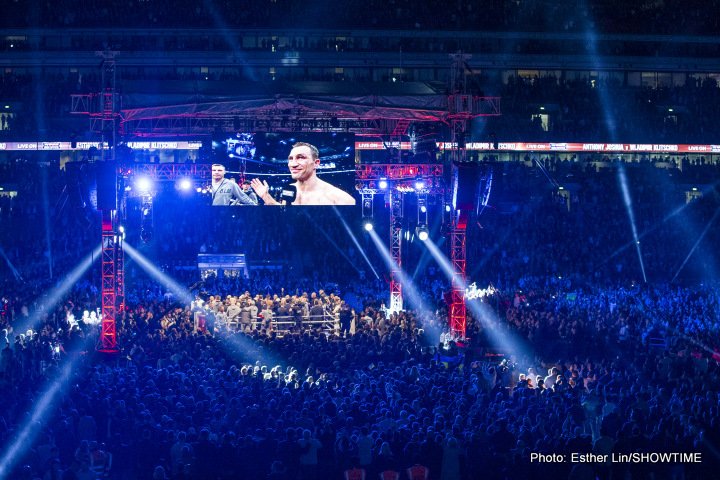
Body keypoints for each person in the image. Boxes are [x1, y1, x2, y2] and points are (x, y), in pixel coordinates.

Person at [250, 142, 356, 206]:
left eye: (301, 157)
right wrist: (266, 196)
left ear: (316, 163)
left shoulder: (340, 199)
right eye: (290, 159)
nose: (293, 164)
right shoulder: (289, 189)